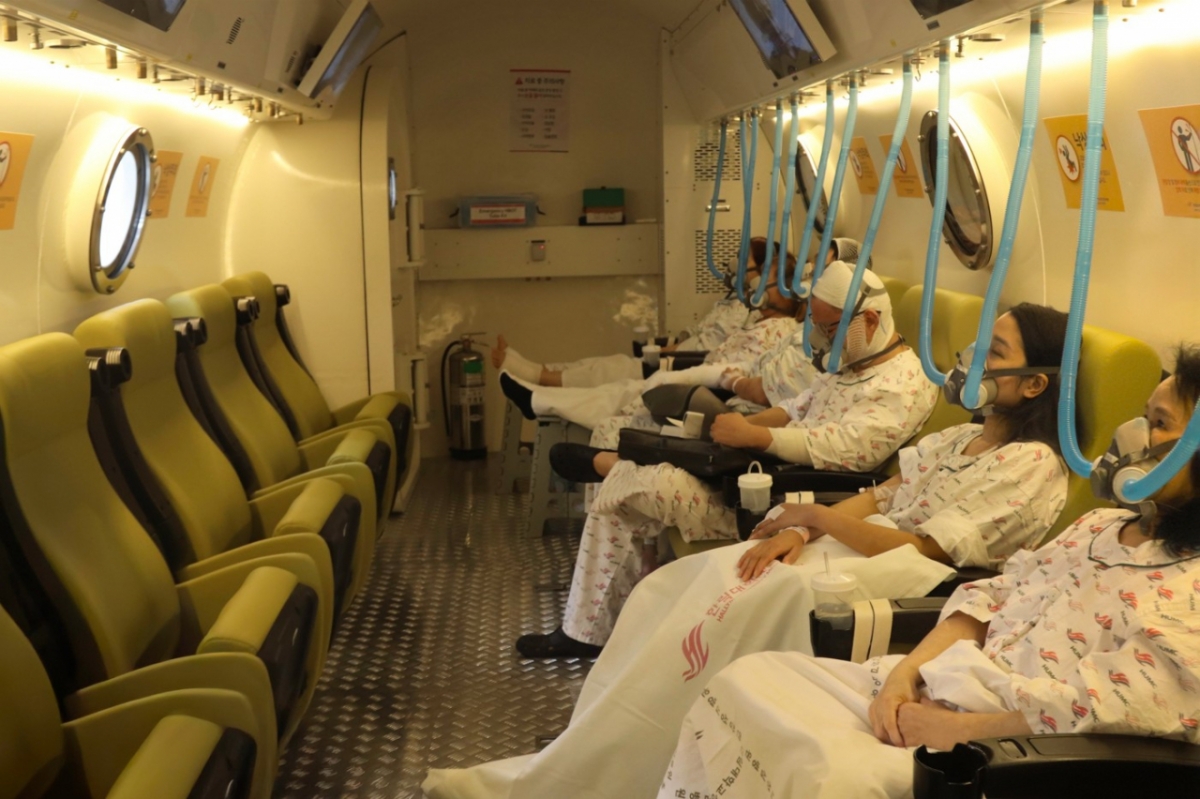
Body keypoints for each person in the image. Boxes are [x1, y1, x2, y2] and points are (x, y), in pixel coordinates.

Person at [420, 305, 1073, 799]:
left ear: (1035, 384)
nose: (975, 358)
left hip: (898, 577)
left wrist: (815, 515)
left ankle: (608, 770)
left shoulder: (1033, 465)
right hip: (847, 548)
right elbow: (880, 495)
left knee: (721, 618)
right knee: (667, 590)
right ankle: (585, 750)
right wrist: (799, 532)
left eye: (996, 351)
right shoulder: (957, 440)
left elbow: (927, 545)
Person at [656, 346, 1200, 799]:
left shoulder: (1189, 585)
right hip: (945, 681)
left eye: (1158, 424)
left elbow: (1120, 708)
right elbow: (990, 597)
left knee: (825, 776)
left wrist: (958, 730)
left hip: (1003, 748)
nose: (1134, 436)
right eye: (1143, 417)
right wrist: (905, 676)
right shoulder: (1099, 525)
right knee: (745, 681)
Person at [515, 260, 939, 660]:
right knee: (635, 481)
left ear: (870, 321)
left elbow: (850, 450)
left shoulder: (902, 384)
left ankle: (591, 621)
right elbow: (796, 407)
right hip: (766, 472)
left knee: (642, 485)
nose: (822, 339)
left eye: (830, 328)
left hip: (791, 499)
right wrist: (742, 427)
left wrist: (757, 437)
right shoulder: (852, 364)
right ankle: (608, 619)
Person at [500, 240, 802, 429]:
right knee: (618, 382)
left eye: (763, 280)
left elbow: (737, 373)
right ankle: (538, 389)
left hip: (708, 392)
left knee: (621, 388)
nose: (754, 287)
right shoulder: (757, 321)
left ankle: (539, 396)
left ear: (789, 291)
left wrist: (674, 371)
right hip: (700, 381)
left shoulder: (780, 332)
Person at [492, 237, 865, 389]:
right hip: (701, 374)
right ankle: (535, 379)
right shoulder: (758, 318)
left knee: (615, 381)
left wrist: (672, 365)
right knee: (608, 370)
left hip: (703, 377)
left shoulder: (790, 332)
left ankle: (535, 384)